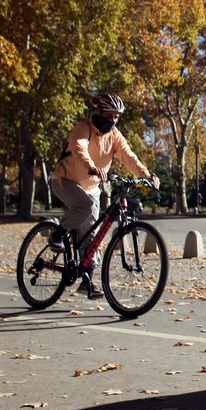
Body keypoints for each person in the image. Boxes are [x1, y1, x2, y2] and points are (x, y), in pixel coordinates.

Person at [49, 94, 159, 299]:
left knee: (91, 236)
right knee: (84, 205)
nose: (113, 120)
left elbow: (129, 157)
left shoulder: (115, 136)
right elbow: (79, 148)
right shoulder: (83, 128)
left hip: (91, 187)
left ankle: (87, 281)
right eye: (109, 116)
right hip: (65, 180)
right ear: (97, 113)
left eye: (116, 117)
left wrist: (146, 175)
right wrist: (91, 166)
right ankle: (58, 233)